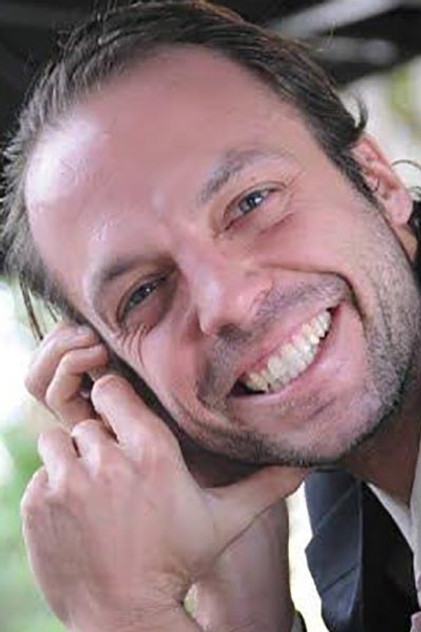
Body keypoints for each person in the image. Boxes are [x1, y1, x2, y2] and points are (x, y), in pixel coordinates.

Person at [1, 1, 421, 630]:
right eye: (144, 292)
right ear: (125, 381)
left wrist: (126, 613)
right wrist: (241, 594)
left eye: (251, 202)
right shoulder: (356, 516)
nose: (227, 302)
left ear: (376, 179)